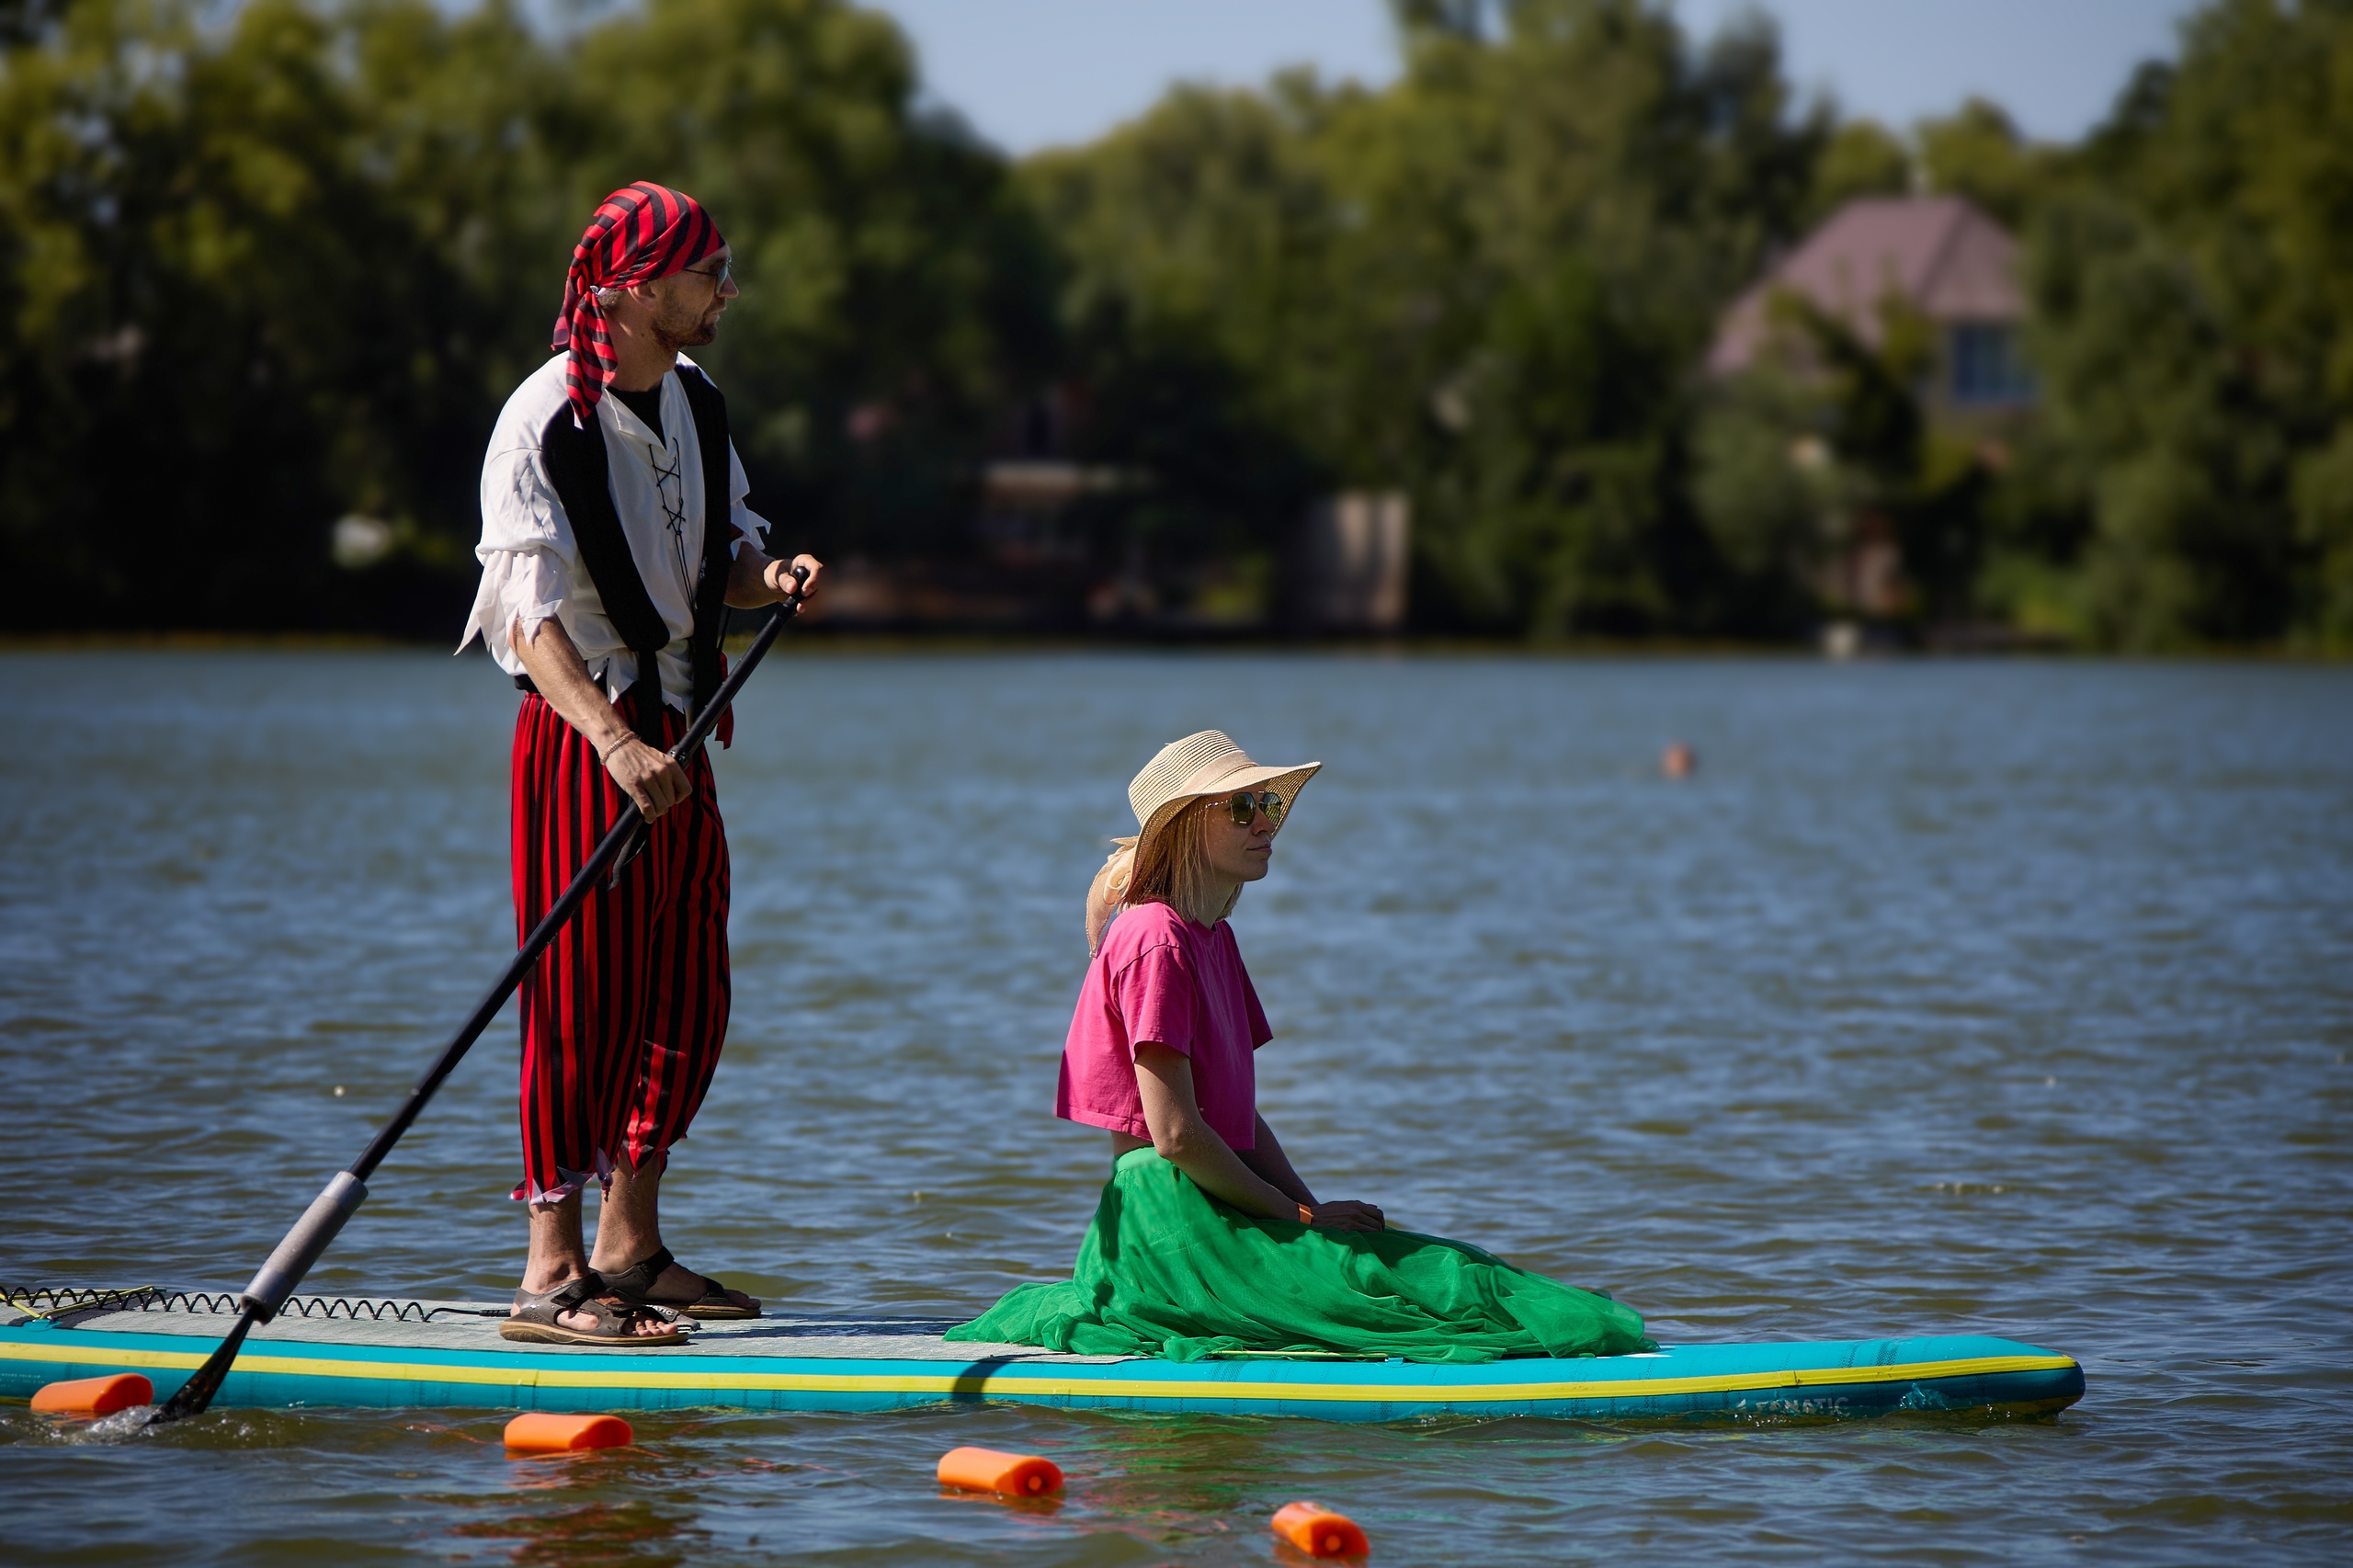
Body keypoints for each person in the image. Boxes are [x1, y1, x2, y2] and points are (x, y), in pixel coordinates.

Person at [947, 732, 1654, 1364]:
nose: (1266, 823)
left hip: (1216, 1204)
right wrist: (1298, 1219)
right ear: (1187, 827)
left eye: (1268, 805)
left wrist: (1314, 1219)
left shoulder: (1212, 938)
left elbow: (1236, 1118)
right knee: (1429, 1294)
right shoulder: (1155, 939)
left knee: (1417, 1270)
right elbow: (1176, 1135)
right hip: (1169, 1225)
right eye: (1242, 808)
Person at [457, 182, 824, 1346]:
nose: (727, 289)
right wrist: (612, 740)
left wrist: (770, 576)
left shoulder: (696, 397)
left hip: (682, 726)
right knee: (580, 997)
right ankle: (550, 1271)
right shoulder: (538, 421)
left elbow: (722, 553)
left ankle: (629, 1247)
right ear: (635, 289)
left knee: (685, 989)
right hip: (587, 734)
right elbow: (525, 619)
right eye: (709, 271)